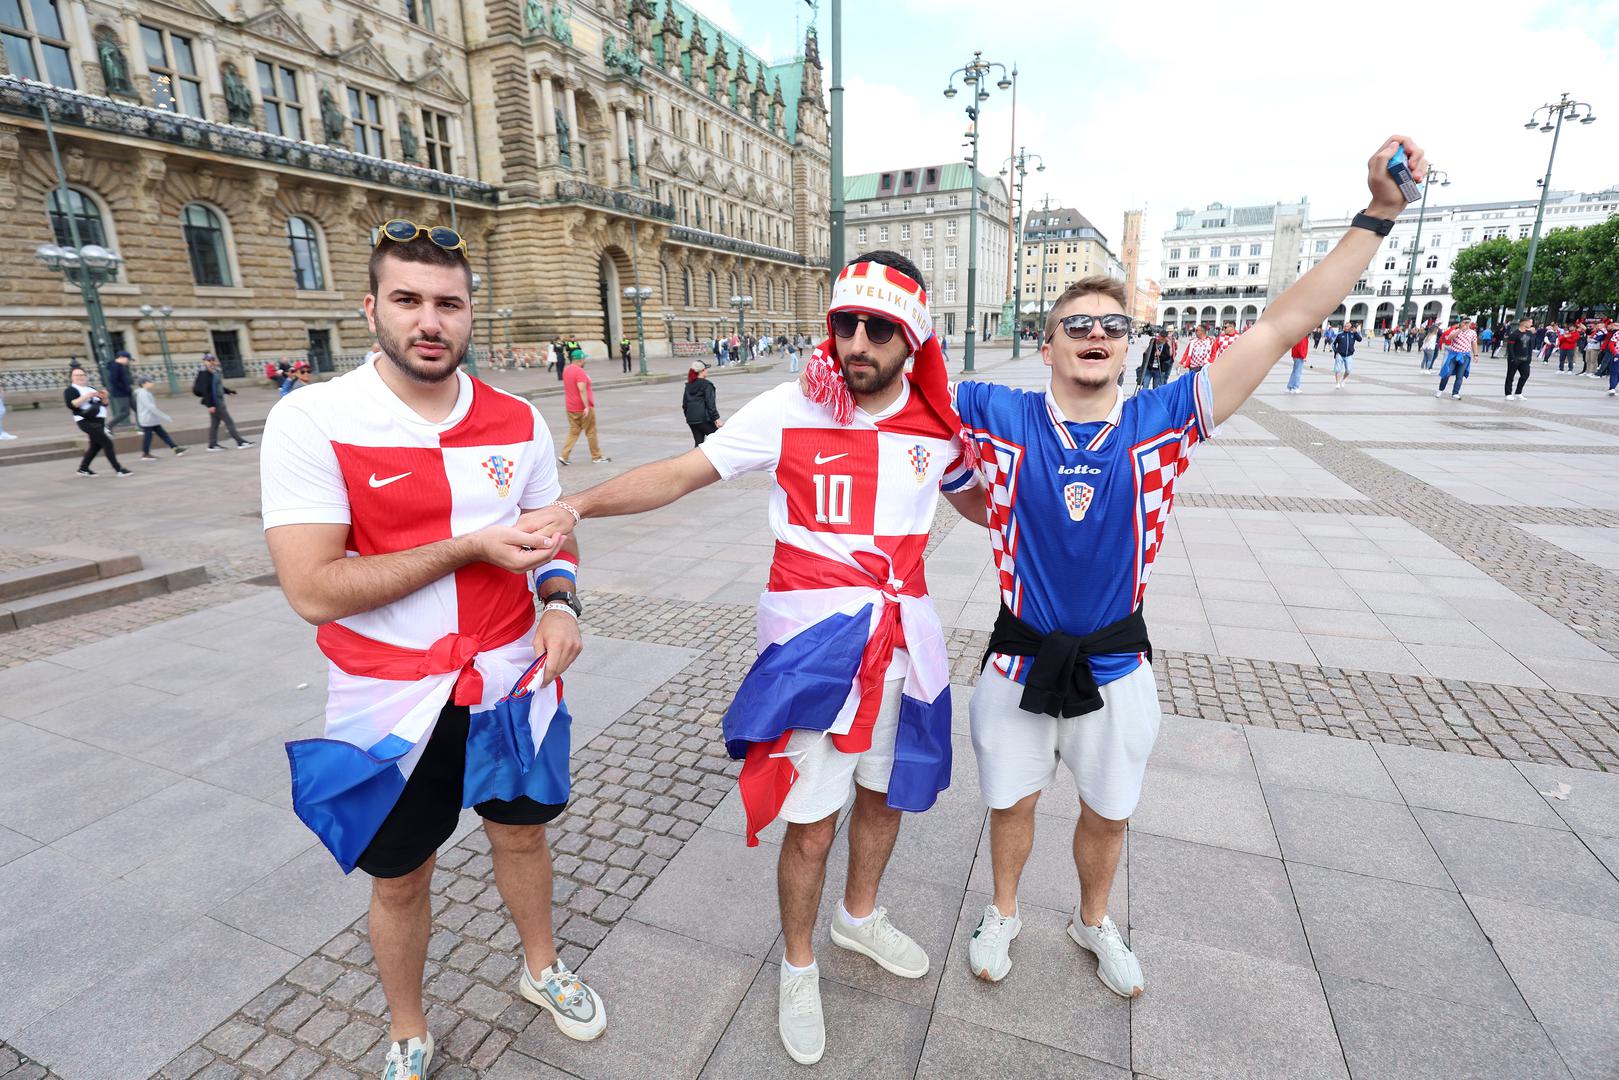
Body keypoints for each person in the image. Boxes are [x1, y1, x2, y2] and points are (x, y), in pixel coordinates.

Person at [943, 135, 1429, 998]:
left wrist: (1378, 215)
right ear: (1047, 342)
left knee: (1108, 811)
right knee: (1009, 803)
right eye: (1076, 325)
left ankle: (1093, 923)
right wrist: (965, 495)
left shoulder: (1163, 419)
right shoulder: (992, 410)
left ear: (1129, 345)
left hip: (1117, 663)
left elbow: (1283, 321)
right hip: (1015, 659)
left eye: (1112, 326)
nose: (1095, 335)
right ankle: (1004, 909)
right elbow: (901, 393)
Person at [518, 250, 977, 1066]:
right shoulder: (790, 406)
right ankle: (797, 966)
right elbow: (680, 474)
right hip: (810, 654)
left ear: (912, 339)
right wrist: (576, 504)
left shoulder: (938, 425)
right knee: (809, 827)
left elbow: (981, 502)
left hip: (905, 645)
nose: (858, 342)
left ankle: (859, 917)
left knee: (886, 796)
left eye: (879, 328)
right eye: (846, 324)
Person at [260, 221, 606, 1079]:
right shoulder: (313, 419)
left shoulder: (517, 419)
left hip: (510, 682)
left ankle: (541, 969)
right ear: (371, 307)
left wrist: (558, 604)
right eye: (409, 300)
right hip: (388, 700)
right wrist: (467, 547)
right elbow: (311, 588)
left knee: (522, 839)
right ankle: (408, 1030)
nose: (430, 321)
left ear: (469, 313)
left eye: (448, 304)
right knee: (400, 876)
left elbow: (552, 535)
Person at [64, 367, 132, 476]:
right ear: (72, 378)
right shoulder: (70, 390)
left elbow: (104, 404)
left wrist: (105, 397)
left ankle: (83, 468)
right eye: (77, 375)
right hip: (85, 420)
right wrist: (86, 396)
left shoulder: (90, 388)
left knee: (96, 445)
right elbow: (72, 405)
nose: (80, 377)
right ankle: (119, 469)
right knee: (107, 443)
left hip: (99, 420)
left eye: (82, 375)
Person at [193, 354, 252, 450]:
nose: (212, 362)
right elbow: (205, 391)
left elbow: (218, 387)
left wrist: (229, 391)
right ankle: (240, 442)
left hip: (218, 401)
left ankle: (212, 444)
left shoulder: (214, 372)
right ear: (205, 362)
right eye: (209, 361)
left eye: (213, 360)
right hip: (215, 403)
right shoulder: (204, 374)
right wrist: (210, 405)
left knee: (214, 424)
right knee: (229, 422)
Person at [558, 352, 608, 465]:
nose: (585, 361)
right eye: (584, 359)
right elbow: (581, 389)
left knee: (574, 431)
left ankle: (564, 455)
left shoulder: (567, 370)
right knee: (591, 431)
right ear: (580, 360)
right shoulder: (580, 371)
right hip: (582, 408)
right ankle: (596, 456)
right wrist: (586, 407)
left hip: (570, 407)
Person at [134, 377, 187, 458]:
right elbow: (151, 407)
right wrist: (164, 416)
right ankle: (145, 454)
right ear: (144, 383)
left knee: (162, 434)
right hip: (148, 419)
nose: (152, 383)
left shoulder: (144, 393)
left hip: (151, 419)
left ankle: (175, 448)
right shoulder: (143, 394)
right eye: (150, 381)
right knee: (148, 437)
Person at [1436, 318, 1479, 399]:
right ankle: (1440, 389)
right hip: (1454, 354)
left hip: (1465, 356)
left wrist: (1475, 355)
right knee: (1447, 372)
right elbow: (1449, 338)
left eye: (1468, 323)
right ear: (1461, 323)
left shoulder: (1473, 333)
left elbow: (1474, 343)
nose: (1466, 324)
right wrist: (1460, 330)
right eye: (1465, 322)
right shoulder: (1456, 330)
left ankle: (1455, 393)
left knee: (1460, 375)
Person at [682, 360, 721, 444]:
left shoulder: (689, 385)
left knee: (699, 443)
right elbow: (710, 404)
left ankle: (696, 457)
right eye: (706, 369)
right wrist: (716, 418)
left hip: (691, 419)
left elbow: (685, 404)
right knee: (718, 440)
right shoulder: (707, 385)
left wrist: (689, 416)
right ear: (702, 371)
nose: (707, 371)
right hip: (704, 419)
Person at [1502, 316, 1536, 400]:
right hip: (1515, 359)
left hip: (1525, 359)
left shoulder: (1530, 334)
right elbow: (1510, 347)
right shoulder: (1514, 334)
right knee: (1510, 376)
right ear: (1524, 323)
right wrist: (1513, 358)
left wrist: (1529, 357)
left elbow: (1530, 346)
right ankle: (1508, 393)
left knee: (1525, 375)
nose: (1531, 324)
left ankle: (1518, 392)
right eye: (1530, 322)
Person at [105, 349, 135, 433]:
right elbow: (113, 380)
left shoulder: (120, 366)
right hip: (121, 394)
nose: (128, 361)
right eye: (128, 359)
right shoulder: (115, 366)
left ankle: (143, 427)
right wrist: (124, 389)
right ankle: (108, 426)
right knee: (124, 412)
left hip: (127, 393)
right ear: (121, 357)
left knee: (138, 409)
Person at [1332, 321, 1362, 387]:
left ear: (1350, 327)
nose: (1346, 327)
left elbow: (1360, 339)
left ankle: (1343, 380)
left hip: (1349, 355)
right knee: (1337, 369)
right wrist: (1336, 352)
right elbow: (1333, 344)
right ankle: (1337, 383)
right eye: (1345, 326)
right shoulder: (1339, 334)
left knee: (1348, 370)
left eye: (1347, 326)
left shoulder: (1353, 334)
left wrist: (1355, 332)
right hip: (1340, 354)